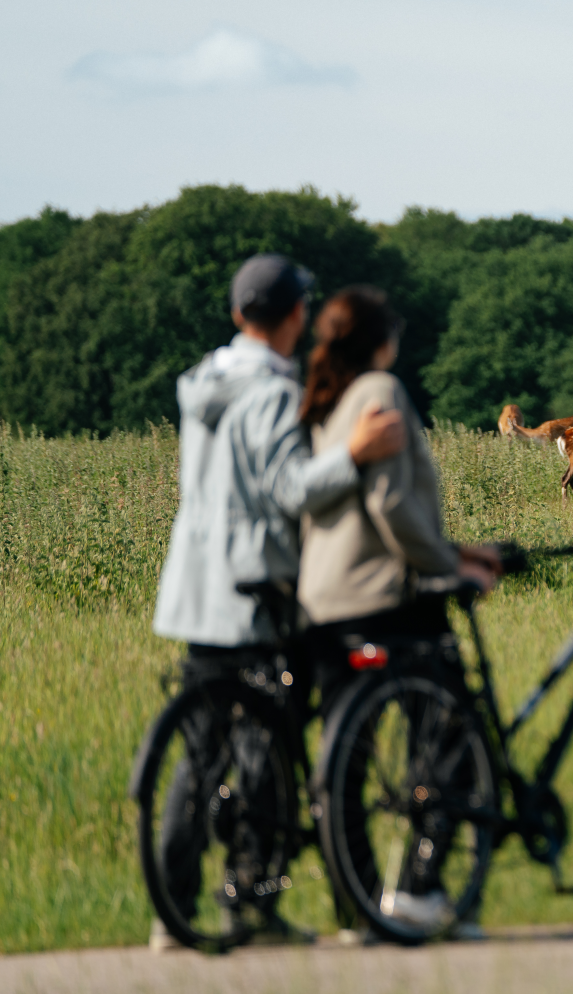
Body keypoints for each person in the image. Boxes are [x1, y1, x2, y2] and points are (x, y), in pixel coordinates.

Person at [148, 254, 405, 948]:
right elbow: (289, 487)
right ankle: (251, 903)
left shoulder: (206, 381)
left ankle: (171, 913)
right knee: (264, 747)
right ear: (294, 316)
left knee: (199, 755)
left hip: (198, 588)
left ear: (237, 315)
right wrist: (353, 452)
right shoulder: (268, 391)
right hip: (254, 587)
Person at [296, 285, 501, 936]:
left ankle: (356, 907)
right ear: (382, 341)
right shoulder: (380, 392)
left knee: (345, 760)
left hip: (323, 598)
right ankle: (420, 887)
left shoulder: (325, 402)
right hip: (383, 591)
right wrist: (448, 564)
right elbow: (388, 505)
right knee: (448, 733)